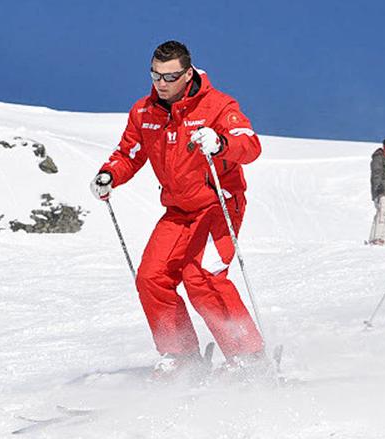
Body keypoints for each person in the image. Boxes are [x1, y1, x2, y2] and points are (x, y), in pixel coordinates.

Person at [89, 40, 267, 380]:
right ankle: (182, 355)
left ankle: (249, 358)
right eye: (155, 75)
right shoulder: (145, 112)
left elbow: (250, 145)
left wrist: (220, 144)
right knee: (151, 277)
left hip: (219, 204)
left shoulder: (218, 106)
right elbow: (129, 153)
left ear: (188, 74)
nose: (161, 83)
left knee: (200, 275)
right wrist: (110, 173)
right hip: (179, 210)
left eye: (170, 77)